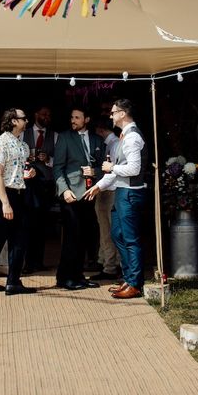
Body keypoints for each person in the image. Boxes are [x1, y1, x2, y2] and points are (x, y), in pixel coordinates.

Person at [84, 99, 148, 299]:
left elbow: (133, 169)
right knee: (117, 234)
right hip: (122, 191)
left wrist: (111, 168)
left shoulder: (132, 138)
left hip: (130, 192)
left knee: (130, 238)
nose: (110, 116)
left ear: (122, 113)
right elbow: (118, 170)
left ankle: (135, 283)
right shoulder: (125, 136)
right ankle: (129, 278)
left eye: (113, 113)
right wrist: (98, 185)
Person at [0, 107, 37, 295]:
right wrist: (5, 202)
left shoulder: (22, 144)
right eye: (23, 118)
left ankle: (13, 281)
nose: (26, 121)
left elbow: (18, 169)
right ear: (13, 121)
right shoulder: (1, 143)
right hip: (2, 195)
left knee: (20, 239)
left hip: (19, 194)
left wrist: (29, 173)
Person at [53, 106, 104, 291]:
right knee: (71, 238)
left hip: (90, 194)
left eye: (77, 117)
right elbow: (58, 167)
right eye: (72, 117)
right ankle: (64, 278)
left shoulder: (98, 139)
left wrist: (96, 172)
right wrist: (64, 190)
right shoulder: (65, 137)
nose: (73, 120)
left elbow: (103, 166)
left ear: (87, 119)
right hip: (71, 195)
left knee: (85, 237)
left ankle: (79, 276)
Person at [22, 105, 58, 273]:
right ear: (36, 114)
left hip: (46, 185)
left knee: (42, 224)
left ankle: (38, 261)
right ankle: (27, 262)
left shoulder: (55, 136)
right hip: (29, 184)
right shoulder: (24, 134)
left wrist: (48, 159)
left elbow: (59, 160)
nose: (46, 117)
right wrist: (25, 158)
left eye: (49, 115)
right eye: (44, 114)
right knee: (28, 223)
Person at [89, 116, 121, 281]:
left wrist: (97, 183)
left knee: (107, 231)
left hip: (110, 191)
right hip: (107, 190)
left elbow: (112, 172)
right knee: (108, 230)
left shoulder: (113, 145)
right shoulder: (112, 144)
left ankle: (110, 267)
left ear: (100, 130)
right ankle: (107, 262)